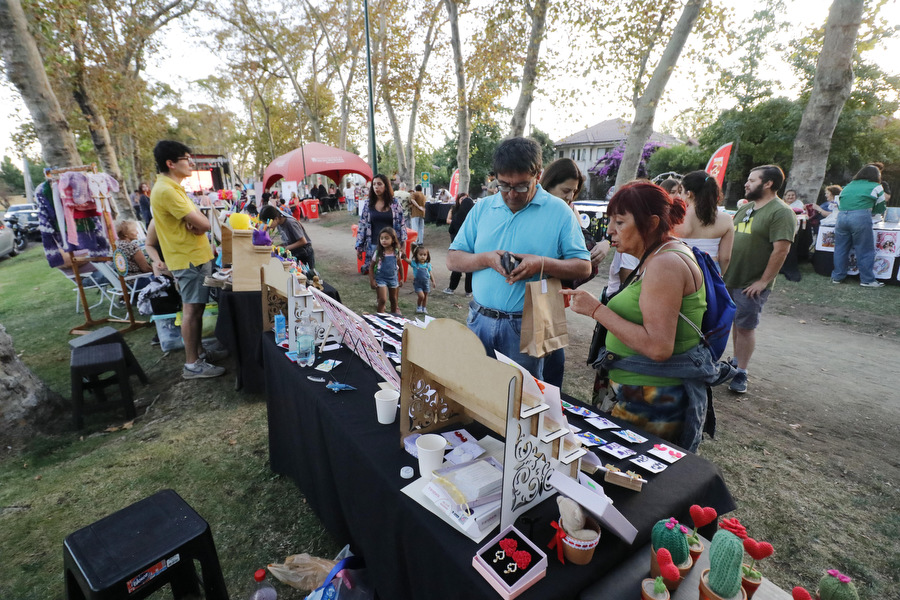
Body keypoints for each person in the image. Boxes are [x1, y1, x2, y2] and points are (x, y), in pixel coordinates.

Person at [562, 182, 707, 447]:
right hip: (640, 390)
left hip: (650, 397)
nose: (610, 231)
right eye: (610, 221)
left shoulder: (665, 264)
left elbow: (658, 347)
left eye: (619, 222)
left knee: (633, 474)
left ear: (651, 223)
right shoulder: (660, 254)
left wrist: (596, 310)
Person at [447, 137, 591, 379]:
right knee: (477, 389)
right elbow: (453, 259)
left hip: (532, 323)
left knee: (523, 401)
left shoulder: (560, 212)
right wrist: (487, 259)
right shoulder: (482, 208)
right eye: (504, 185)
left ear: (538, 174)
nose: (512, 194)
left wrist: (541, 264)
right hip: (480, 319)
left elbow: (584, 267)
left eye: (522, 186)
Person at [149, 140, 226, 379]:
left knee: (197, 309)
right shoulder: (167, 190)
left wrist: (198, 224)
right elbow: (203, 223)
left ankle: (200, 353)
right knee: (191, 311)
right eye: (186, 158)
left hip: (194, 257)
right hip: (188, 259)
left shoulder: (173, 187)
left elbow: (197, 222)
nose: (191, 162)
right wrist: (205, 226)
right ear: (171, 163)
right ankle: (192, 364)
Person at [724, 165, 797, 394]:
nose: (746, 184)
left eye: (752, 180)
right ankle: (735, 362)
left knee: (745, 327)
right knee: (736, 322)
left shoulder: (781, 212)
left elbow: (781, 251)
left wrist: (763, 282)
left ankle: (742, 372)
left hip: (751, 283)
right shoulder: (747, 209)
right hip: (731, 277)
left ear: (768, 184)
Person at [539, 157, 610, 388]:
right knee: (542, 369)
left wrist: (603, 245)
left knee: (552, 368)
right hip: (536, 297)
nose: (571, 196)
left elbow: (582, 254)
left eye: (575, 191)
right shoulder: (539, 213)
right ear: (547, 184)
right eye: (566, 190)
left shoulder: (568, 210)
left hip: (553, 298)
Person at [831, 164, 887, 288]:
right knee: (864, 249)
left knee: (840, 248)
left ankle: (837, 277)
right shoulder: (876, 186)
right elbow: (881, 206)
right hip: (860, 216)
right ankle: (867, 280)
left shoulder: (848, 186)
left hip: (841, 217)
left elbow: (839, 203)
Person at [673, 170, 734, 275]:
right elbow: (725, 258)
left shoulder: (676, 217)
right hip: (710, 269)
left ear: (689, 194)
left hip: (679, 267)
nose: (680, 195)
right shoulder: (726, 219)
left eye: (681, 191)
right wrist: (719, 275)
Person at [355, 174, 406, 274]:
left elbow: (402, 225)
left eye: (379, 184)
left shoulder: (395, 203)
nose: (376, 187)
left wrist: (403, 245)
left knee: (391, 276)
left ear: (386, 186)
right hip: (374, 245)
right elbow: (362, 226)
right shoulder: (368, 204)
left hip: (391, 247)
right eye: (374, 184)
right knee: (376, 277)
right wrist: (359, 247)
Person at [259, 205, 315, 271]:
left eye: (268, 223)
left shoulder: (290, 223)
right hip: (296, 252)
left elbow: (303, 241)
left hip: (305, 253)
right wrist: (277, 247)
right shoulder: (279, 224)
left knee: (308, 276)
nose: (268, 226)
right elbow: (289, 242)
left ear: (276, 218)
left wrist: (285, 248)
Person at [444, 192, 475, 296]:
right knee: (470, 269)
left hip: (458, 246)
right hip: (471, 247)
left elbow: (451, 229)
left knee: (457, 268)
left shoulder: (457, 217)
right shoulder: (474, 219)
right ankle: (468, 291)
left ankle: (451, 288)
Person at [369, 227, 405, 314]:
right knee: (382, 300)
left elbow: (400, 265)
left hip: (393, 279)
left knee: (394, 300)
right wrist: (372, 280)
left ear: (393, 239)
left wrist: (402, 278)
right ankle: (380, 317)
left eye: (386, 238)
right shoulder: (378, 253)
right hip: (381, 279)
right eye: (382, 238)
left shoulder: (396, 252)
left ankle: (393, 318)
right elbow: (371, 267)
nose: (384, 240)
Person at [404, 245, 436, 314]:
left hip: (426, 283)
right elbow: (408, 261)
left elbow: (430, 273)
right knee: (421, 296)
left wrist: (433, 281)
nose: (422, 256)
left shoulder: (428, 265)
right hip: (418, 284)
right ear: (416, 255)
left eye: (424, 255)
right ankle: (419, 306)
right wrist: (404, 257)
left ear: (427, 256)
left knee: (425, 296)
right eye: (420, 255)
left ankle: (424, 307)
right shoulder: (415, 264)